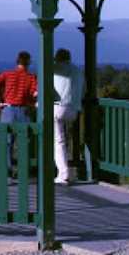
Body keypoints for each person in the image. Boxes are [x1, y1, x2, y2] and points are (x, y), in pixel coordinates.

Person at [0, 51, 37, 174]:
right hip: (23, 110)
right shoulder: (31, 77)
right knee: (24, 142)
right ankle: (23, 171)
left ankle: (7, 171)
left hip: (7, 110)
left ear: (17, 62)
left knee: (6, 142)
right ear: (29, 62)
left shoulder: (8, 74)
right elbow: (36, 93)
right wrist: (32, 102)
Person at [53, 48, 85, 185]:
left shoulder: (53, 68)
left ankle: (63, 173)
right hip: (74, 109)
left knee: (58, 141)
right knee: (65, 138)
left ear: (56, 58)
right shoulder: (78, 71)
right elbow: (84, 90)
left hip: (58, 107)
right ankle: (65, 171)